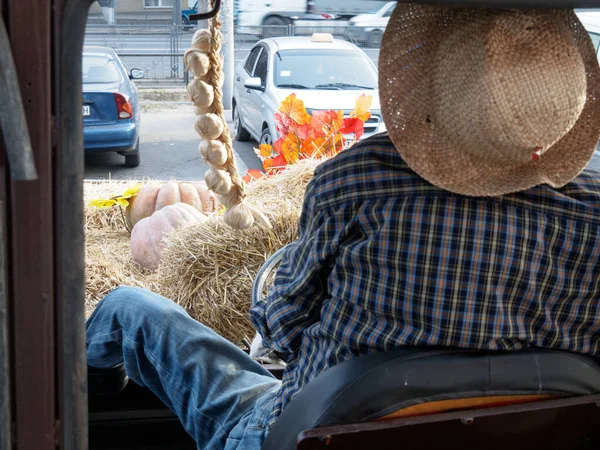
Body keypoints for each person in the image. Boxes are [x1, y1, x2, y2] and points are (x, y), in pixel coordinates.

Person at [86, 3, 600, 450]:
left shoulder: (360, 179)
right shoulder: (593, 212)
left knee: (128, 309)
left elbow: (284, 329)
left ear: (433, 85)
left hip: (308, 430)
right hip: (520, 437)